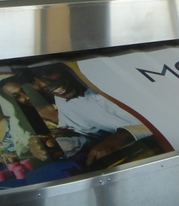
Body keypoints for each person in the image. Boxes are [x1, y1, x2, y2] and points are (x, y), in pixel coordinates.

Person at [21, 63, 155, 166]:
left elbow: (161, 114)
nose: (43, 84)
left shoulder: (113, 77)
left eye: (46, 73)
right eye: (33, 81)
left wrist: (125, 135)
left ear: (65, 66)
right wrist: (55, 144)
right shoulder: (63, 99)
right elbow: (83, 134)